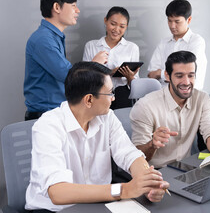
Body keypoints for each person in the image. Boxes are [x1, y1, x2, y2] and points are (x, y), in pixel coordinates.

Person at [25, 62, 169, 212]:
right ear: (89, 100)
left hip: (98, 204)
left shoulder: (107, 117)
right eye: (110, 93)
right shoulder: (48, 126)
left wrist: (146, 183)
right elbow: (58, 192)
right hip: (56, 209)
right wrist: (125, 190)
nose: (113, 98)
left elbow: (129, 154)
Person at [23, 0, 106, 121]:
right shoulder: (44, 40)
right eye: (73, 5)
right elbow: (69, 76)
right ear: (57, 7)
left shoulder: (53, 37)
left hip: (54, 113)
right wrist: (94, 64)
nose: (78, 10)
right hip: (45, 117)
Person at [131, 51, 210, 168]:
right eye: (179, 76)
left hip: (186, 168)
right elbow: (137, 157)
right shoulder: (144, 106)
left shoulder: (202, 98)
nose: (186, 82)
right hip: (156, 172)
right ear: (167, 76)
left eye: (191, 75)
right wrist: (152, 145)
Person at [83, 6, 140, 109]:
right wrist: (110, 72)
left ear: (126, 27)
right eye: (113, 24)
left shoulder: (132, 48)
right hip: (97, 94)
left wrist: (130, 77)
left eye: (122, 26)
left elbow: (135, 85)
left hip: (123, 95)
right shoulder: (91, 46)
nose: (116, 29)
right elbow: (84, 77)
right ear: (105, 21)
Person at [147, 0, 207, 90]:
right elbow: (151, 75)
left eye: (177, 21)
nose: (172, 26)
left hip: (189, 97)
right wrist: (170, 74)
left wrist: (161, 73)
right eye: (169, 21)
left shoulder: (196, 41)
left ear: (189, 20)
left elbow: (188, 72)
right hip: (163, 96)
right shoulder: (163, 43)